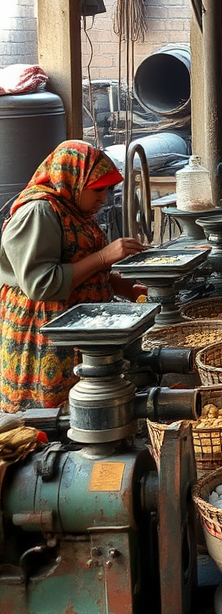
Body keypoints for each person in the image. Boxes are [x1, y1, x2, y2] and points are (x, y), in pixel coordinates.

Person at [0, 141, 148, 412]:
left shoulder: (74, 209)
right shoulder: (39, 211)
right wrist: (104, 257)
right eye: (98, 190)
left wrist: (128, 288)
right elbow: (41, 283)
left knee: (86, 408)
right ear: (73, 179)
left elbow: (81, 266)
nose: (103, 199)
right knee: (51, 418)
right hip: (43, 331)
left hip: (74, 327)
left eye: (107, 190)